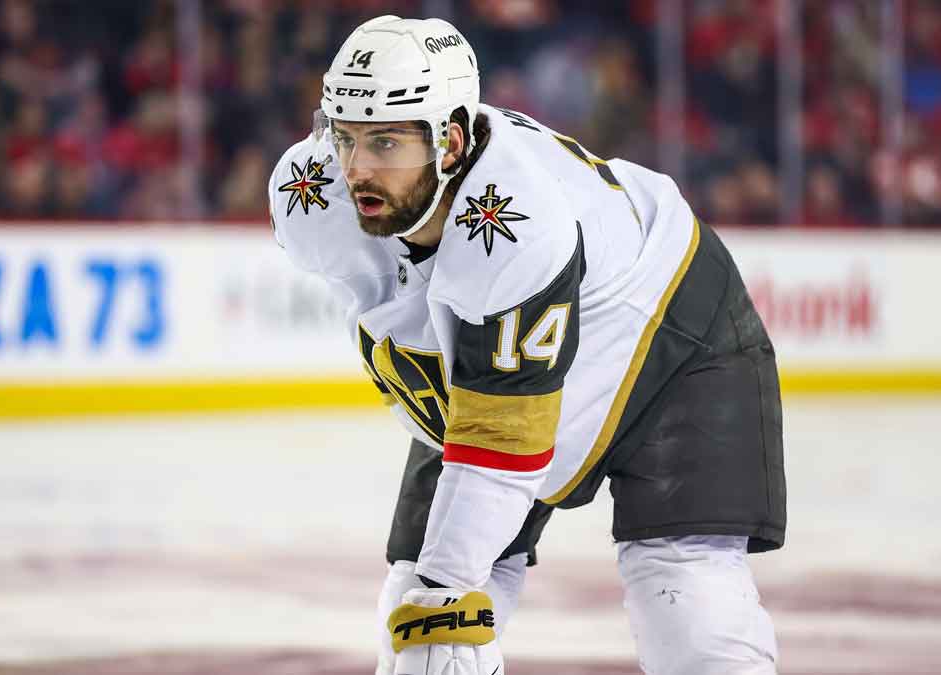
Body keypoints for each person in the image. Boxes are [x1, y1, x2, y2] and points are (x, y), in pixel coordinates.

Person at [268, 16, 786, 675]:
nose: (357, 168)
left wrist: (448, 582)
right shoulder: (311, 194)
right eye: (345, 136)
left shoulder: (515, 223)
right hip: (503, 367)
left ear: (451, 142)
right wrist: (437, 595)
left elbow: (500, 444)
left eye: (387, 142)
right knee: (422, 630)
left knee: (690, 608)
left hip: (674, 330)